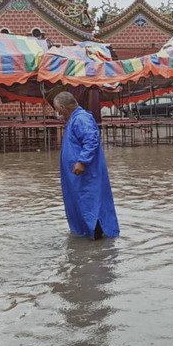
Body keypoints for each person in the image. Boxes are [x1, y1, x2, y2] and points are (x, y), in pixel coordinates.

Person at [53, 91, 119, 240]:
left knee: (91, 204)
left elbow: (91, 139)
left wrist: (82, 161)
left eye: (58, 109)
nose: (57, 113)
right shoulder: (74, 119)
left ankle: (97, 242)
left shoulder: (81, 119)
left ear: (63, 108)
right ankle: (88, 238)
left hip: (87, 175)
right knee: (81, 204)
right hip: (77, 177)